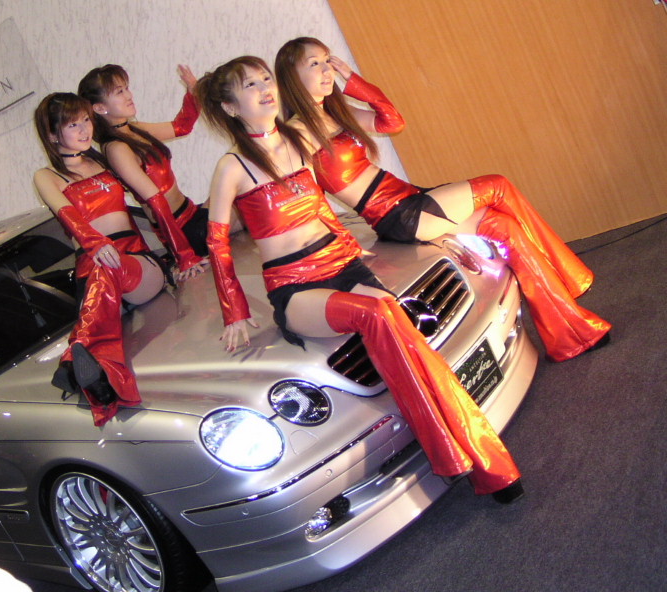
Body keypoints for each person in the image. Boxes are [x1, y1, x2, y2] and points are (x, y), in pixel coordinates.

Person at [195, 55, 523, 502]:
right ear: (231, 107)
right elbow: (217, 242)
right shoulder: (232, 166)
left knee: (402, 326)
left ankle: (460, 448)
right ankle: (461, 455)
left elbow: (323, 202)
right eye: (249, 85)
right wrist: (234, 310)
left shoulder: (298, 138)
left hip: (342, 263)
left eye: (265, 78)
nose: (264, 88)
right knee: (377, 314)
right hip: (296, 286)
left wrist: (363, 244)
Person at [275, 37, 611, 363]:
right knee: (497, 186)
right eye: (314, 63)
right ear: (292, 76)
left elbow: (393, 121)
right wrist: (345, 244)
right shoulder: (298, 133)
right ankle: (570, 276)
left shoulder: (336, 113)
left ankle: (571, 334)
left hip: (410, 198)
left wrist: (353, 81)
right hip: (399, 215)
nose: (327, 69)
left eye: (327, 60)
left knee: (504, 226)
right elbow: (310, 200)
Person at [33, 93, 166, 426]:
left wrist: (187, 255)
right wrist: (95, 244)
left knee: (109, 267)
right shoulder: (47, 176)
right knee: (103, 272)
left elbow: (151, 196)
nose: (84, 130)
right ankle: (100, 382)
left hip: (137, 265)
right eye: (72, 125)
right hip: (95, 274)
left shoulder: (106, 158)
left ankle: (73, 357)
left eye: (86, 121)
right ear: (52, 135)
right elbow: (66, 214)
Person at [78, 64, 208, 281]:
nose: (129, 95)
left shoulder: (135, 129)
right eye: (119, 92)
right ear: (100, 108)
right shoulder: (117, 148)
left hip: (192, 213)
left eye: (126, 88)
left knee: (241, 195)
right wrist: (185, 257)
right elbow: (156, 202)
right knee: (245, 203)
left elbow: (181, 127)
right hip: (183, 232)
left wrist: (193, 93)